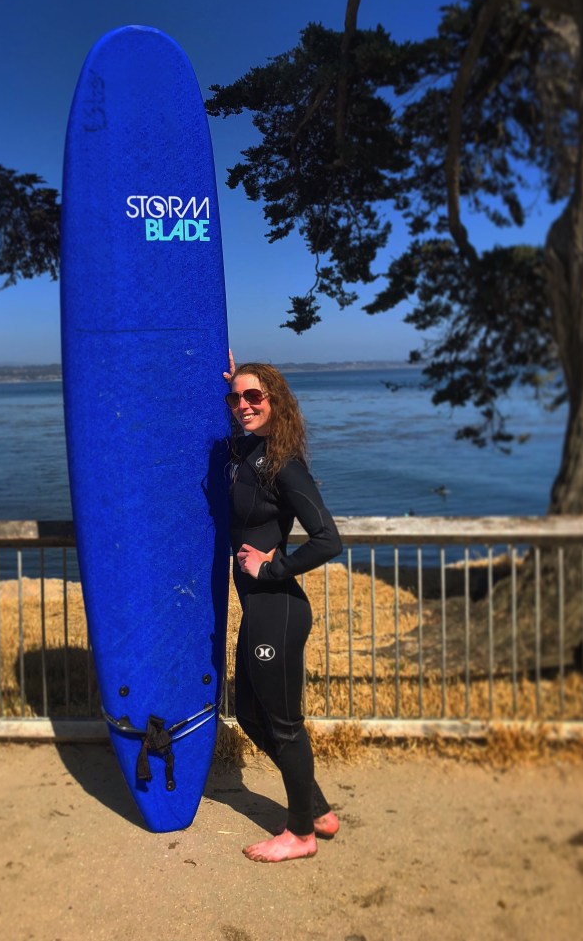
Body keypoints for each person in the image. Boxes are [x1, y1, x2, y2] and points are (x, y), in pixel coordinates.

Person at [224, 353, 343, 862]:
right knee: (250, 716)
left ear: (276, 401)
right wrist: (227, 369)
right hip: (259, 610)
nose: (244, 405)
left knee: (284, 726)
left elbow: (328, 539)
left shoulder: (285, 466)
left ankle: (300, 835)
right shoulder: (249, 452)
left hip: (278, 609)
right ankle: (316, 810)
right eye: (235, 398)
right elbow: (232, 438)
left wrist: (271, 568)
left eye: (255, 396)